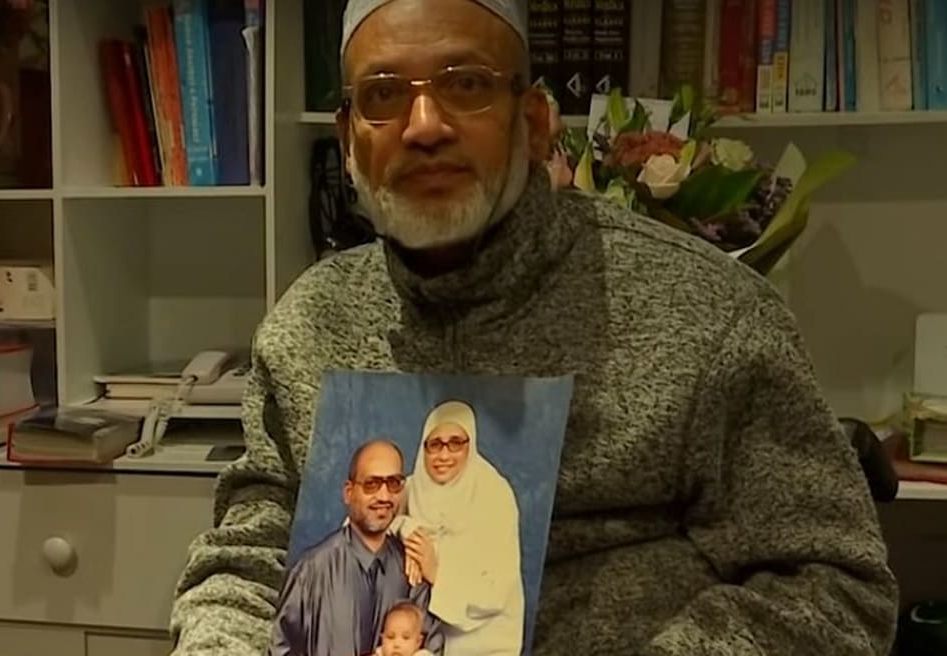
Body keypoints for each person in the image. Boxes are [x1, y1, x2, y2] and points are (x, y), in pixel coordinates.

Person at [168, 0, 899, 654]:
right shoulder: (308, 326)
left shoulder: (707, 315)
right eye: (385, 96)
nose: (424, 127)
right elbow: (254, 554)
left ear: (535, 122)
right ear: (351, 139)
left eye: (466, 84)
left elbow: (835, 589)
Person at [265, 440, 444, 656]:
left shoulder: (412, 576)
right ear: (348, 492)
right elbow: (280, 650)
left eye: (394, 483)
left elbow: (433, 647)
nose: (384, 496)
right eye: (372, 484)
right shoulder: (311, 573)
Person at [390, 400, 524, 656]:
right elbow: (362, 522)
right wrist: (406, 527)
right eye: (435, 445)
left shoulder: (494, 495)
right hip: (423, 642)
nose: (443, 456)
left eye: (455, 443)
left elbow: (497, 591)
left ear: (470, 444)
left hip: (484, 643)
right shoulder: (414, 486)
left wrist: (436, 571)